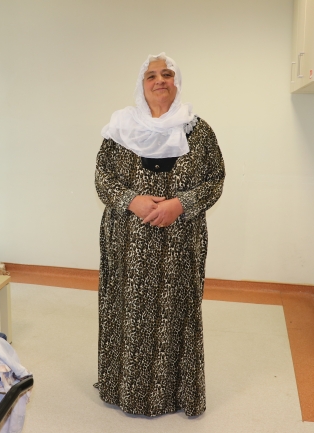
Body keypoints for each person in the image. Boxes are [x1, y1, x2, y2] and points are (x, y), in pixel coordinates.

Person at [94, 53, 225, 417]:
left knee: (176, 313)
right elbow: (102, 177)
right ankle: (123, 389)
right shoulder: (120, 128)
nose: (159, 81)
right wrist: (131, 200)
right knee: (127, 311)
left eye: (167, 74)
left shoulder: (198, 131)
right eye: (151, 75)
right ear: (142, 84)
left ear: (176, 82)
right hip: (127, 242)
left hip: (179, 242)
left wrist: (180, 205)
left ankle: (175, 395)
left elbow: (215, 180)